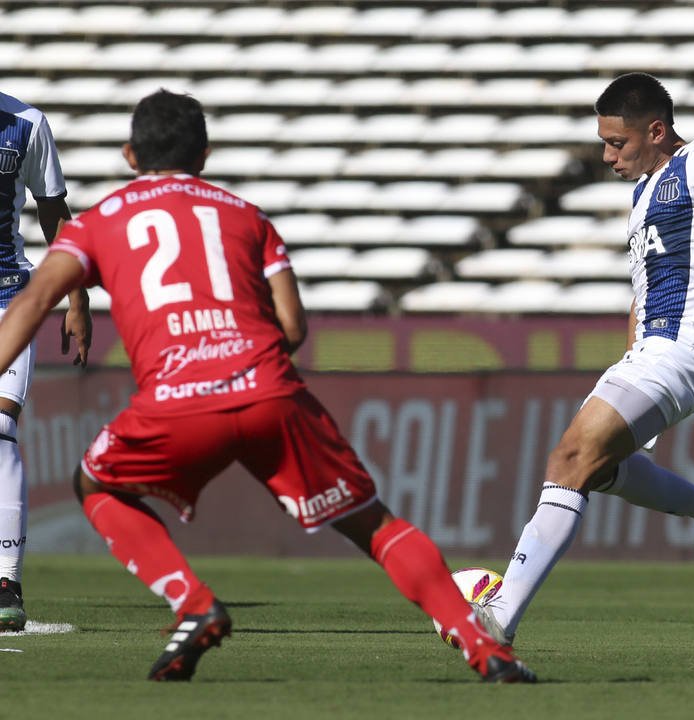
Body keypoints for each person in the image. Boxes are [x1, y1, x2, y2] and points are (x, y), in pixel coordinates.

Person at [0, 90, 534, 682]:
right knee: (377, 527)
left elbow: (30, 304)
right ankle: (488, 651)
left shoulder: (101, 225)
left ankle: (193, 603)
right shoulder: (246, 216)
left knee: (97, 485)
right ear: (204, 154)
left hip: (175, 403)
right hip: (269, 392)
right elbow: (294, 326)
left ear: (130, 155)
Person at [477, 72, 694, 644]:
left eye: (618, 143)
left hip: (688, 347)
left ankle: (498, 618)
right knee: (604, 468)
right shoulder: (644, 194)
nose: (608, 156)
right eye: (604, 143)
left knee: (569, 460)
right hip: (653, 350)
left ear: (657, 130)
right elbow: (646, 288)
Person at [0, 90, 92, 632]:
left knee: (0, 427)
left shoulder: (26, 124)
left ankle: (5, 581)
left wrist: (77, 298)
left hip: (9, 298)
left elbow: (56, 213)